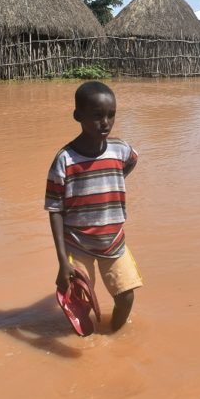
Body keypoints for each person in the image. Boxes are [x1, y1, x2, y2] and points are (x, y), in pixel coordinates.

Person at [45, 81, 142, 333]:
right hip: (78, 244)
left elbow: (128, 165)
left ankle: (114, 339)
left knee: (126, 296)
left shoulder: (120, 150)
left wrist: (106, 183)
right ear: (78, 116)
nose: (105, 123)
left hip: (113, 241)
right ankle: (86, 346)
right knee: (80, 305)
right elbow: (54, 209)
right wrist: (62, 262)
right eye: (97, 116)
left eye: (111, 115)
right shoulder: (65, 160)